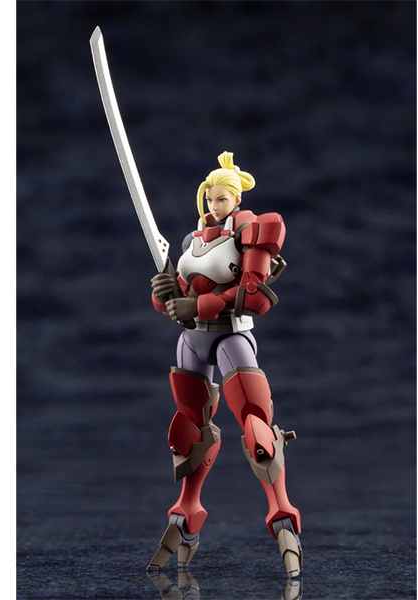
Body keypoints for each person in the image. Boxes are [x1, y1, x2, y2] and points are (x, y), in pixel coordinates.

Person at [148, 152, 302, 578]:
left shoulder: (251, 233)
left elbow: (254, 296)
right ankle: (187, 514)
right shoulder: (192, 241)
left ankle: (283, 516)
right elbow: (178, 295)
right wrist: (164, 294)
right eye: (210, 198)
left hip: (231, 336)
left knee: (256, 428)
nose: (215, 205)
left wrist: (195, 305)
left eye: (223, 198)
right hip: (192, 340)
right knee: (189, 432)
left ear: (236, 198)